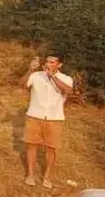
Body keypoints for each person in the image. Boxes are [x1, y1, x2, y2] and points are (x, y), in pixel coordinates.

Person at [22, 54, 74, 189]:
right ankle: (30, 175)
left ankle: (47, 177)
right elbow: (22, 85)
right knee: (31, 145)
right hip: (34, 115)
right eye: (47, 61)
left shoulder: (66, 78)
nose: (48, 64)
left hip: (54, 118)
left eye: (52, 62)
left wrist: (52, 77)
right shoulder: (36, 75)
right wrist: (29, 70)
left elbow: (67, 90)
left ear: (59, 65)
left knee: (51, 149)